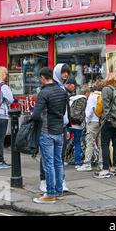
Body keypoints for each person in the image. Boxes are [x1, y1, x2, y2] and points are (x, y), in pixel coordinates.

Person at [32, 67, 68, 204]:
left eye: (40, 78)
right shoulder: (62, 91)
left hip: (46, 131)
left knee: (48, 164)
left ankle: (50, 194)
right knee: (58, 162)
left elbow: (36, 115)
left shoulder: (43, 93)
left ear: (42, 77)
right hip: (59, 131)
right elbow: (63, 111)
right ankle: (59, 190)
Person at [39, 63, 71, 193]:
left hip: (60, 126)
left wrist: (68, 126)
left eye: (67, 72)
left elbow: (66, 110)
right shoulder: (52, 89)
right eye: (63, 72)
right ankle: (45, 181)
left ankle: (59, 183)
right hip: (50, 127)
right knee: (48, 157)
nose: (65, 75)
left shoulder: (63, 89)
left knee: (58, 157)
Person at [95, 72, 116, 179]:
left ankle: (105, 169)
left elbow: (105, 107)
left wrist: (105, 118)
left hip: (109, 121)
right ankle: (114, 168)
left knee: (105, 144)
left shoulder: (106, 89)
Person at [77, 80, 104, 172]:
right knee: (101, 144)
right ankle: (101, 163)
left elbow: (89, 112)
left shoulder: (92, 96)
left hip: (93, 122)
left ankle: (87, 163)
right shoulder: (104, 95)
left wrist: (87, 121)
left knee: (90, 142)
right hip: (102, 122)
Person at [67, 80, 89, 167]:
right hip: (79, 125)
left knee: (65, 142)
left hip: (70, 123)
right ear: (86, 92)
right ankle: (78, 162)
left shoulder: (72, 99)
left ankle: (62, 159)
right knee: (77, 143)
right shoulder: (84, 100)